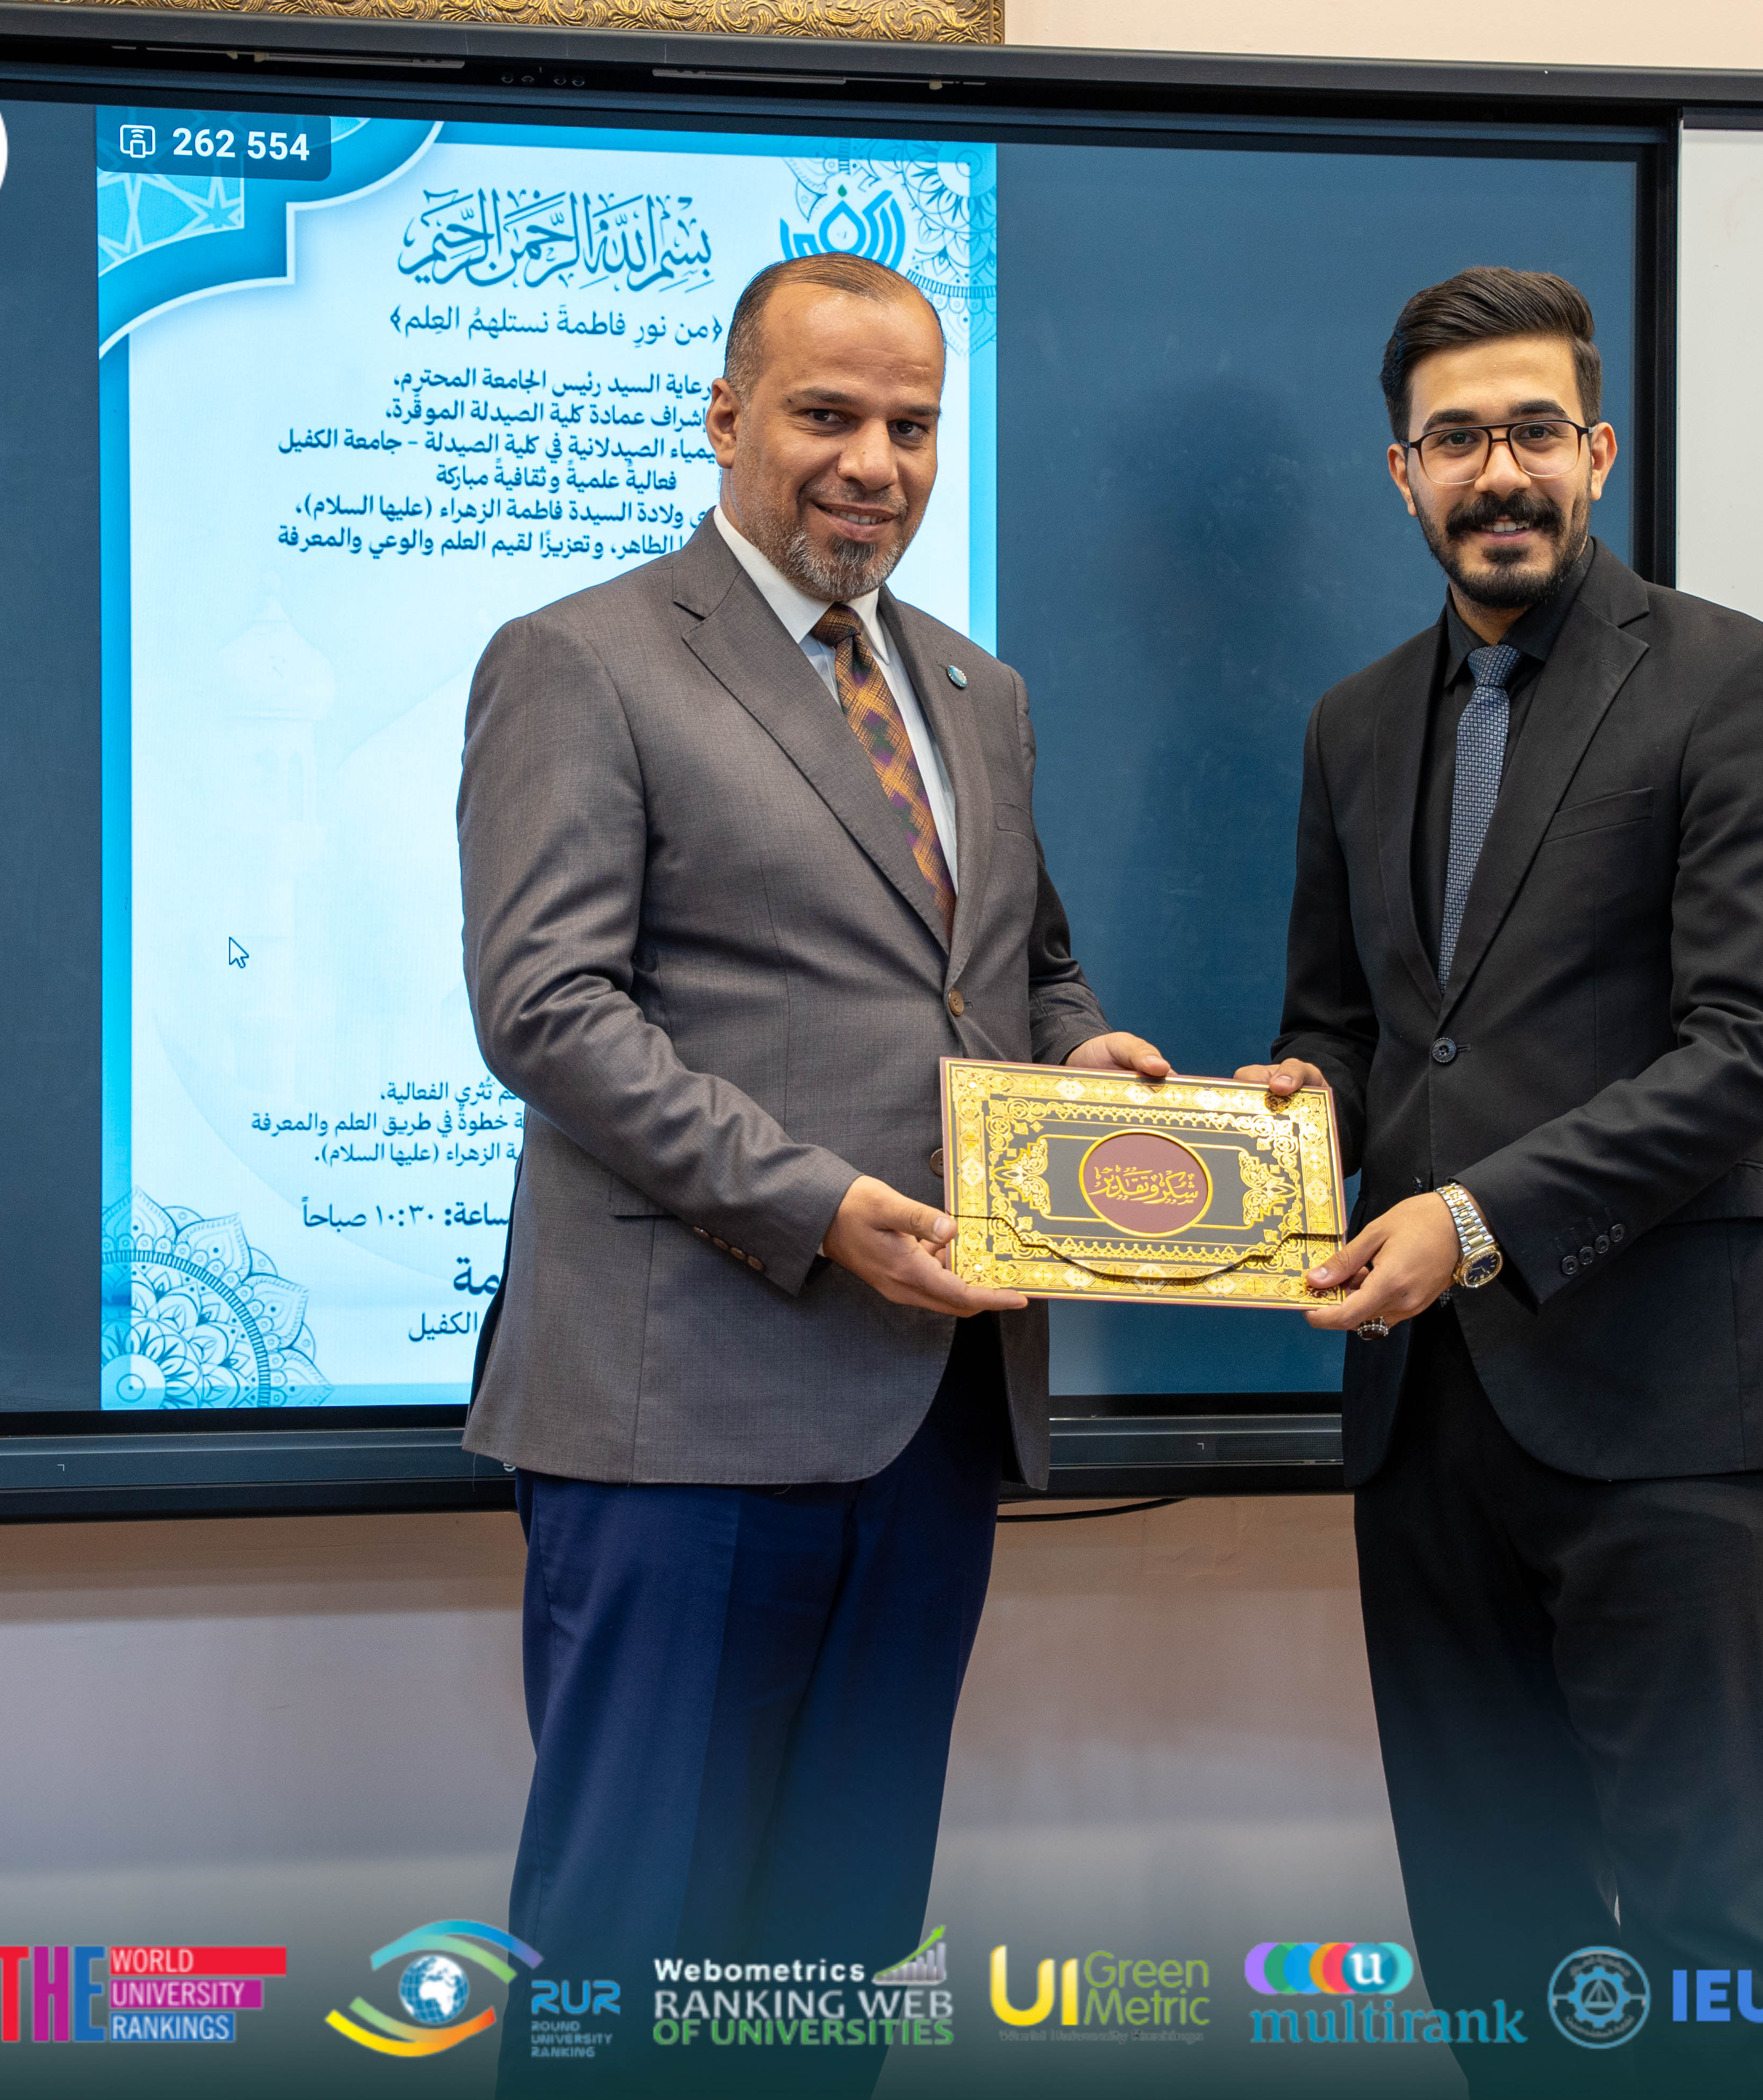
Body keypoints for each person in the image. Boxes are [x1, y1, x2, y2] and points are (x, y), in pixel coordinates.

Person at [458, 251, 1167, 2093]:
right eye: (827, 415)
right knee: (631, 1960)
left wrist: (1084, 1062)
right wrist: (821, 1208)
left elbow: (1020, 970)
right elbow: (548, 1010)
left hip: (930, 1417)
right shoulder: (581, 659)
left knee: (833, 1964)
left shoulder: (978, 691)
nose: (874, 463)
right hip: (681, 1419)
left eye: (911, 426)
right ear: (725, 418)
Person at [1241, 266, 1763, 2097]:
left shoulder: (1740, 684)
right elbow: (1351, 1030)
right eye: (1455, 440)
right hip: (1425, 1424)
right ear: (1401, 474)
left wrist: (1472, 1221)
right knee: (1496, 1940)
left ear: (1598, 451)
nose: (1495, 473)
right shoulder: (1355, 723)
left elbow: (1749, 1050)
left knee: (1713, 1941)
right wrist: (1295, 1106)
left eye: (1530, 432)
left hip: (1672, 1414)